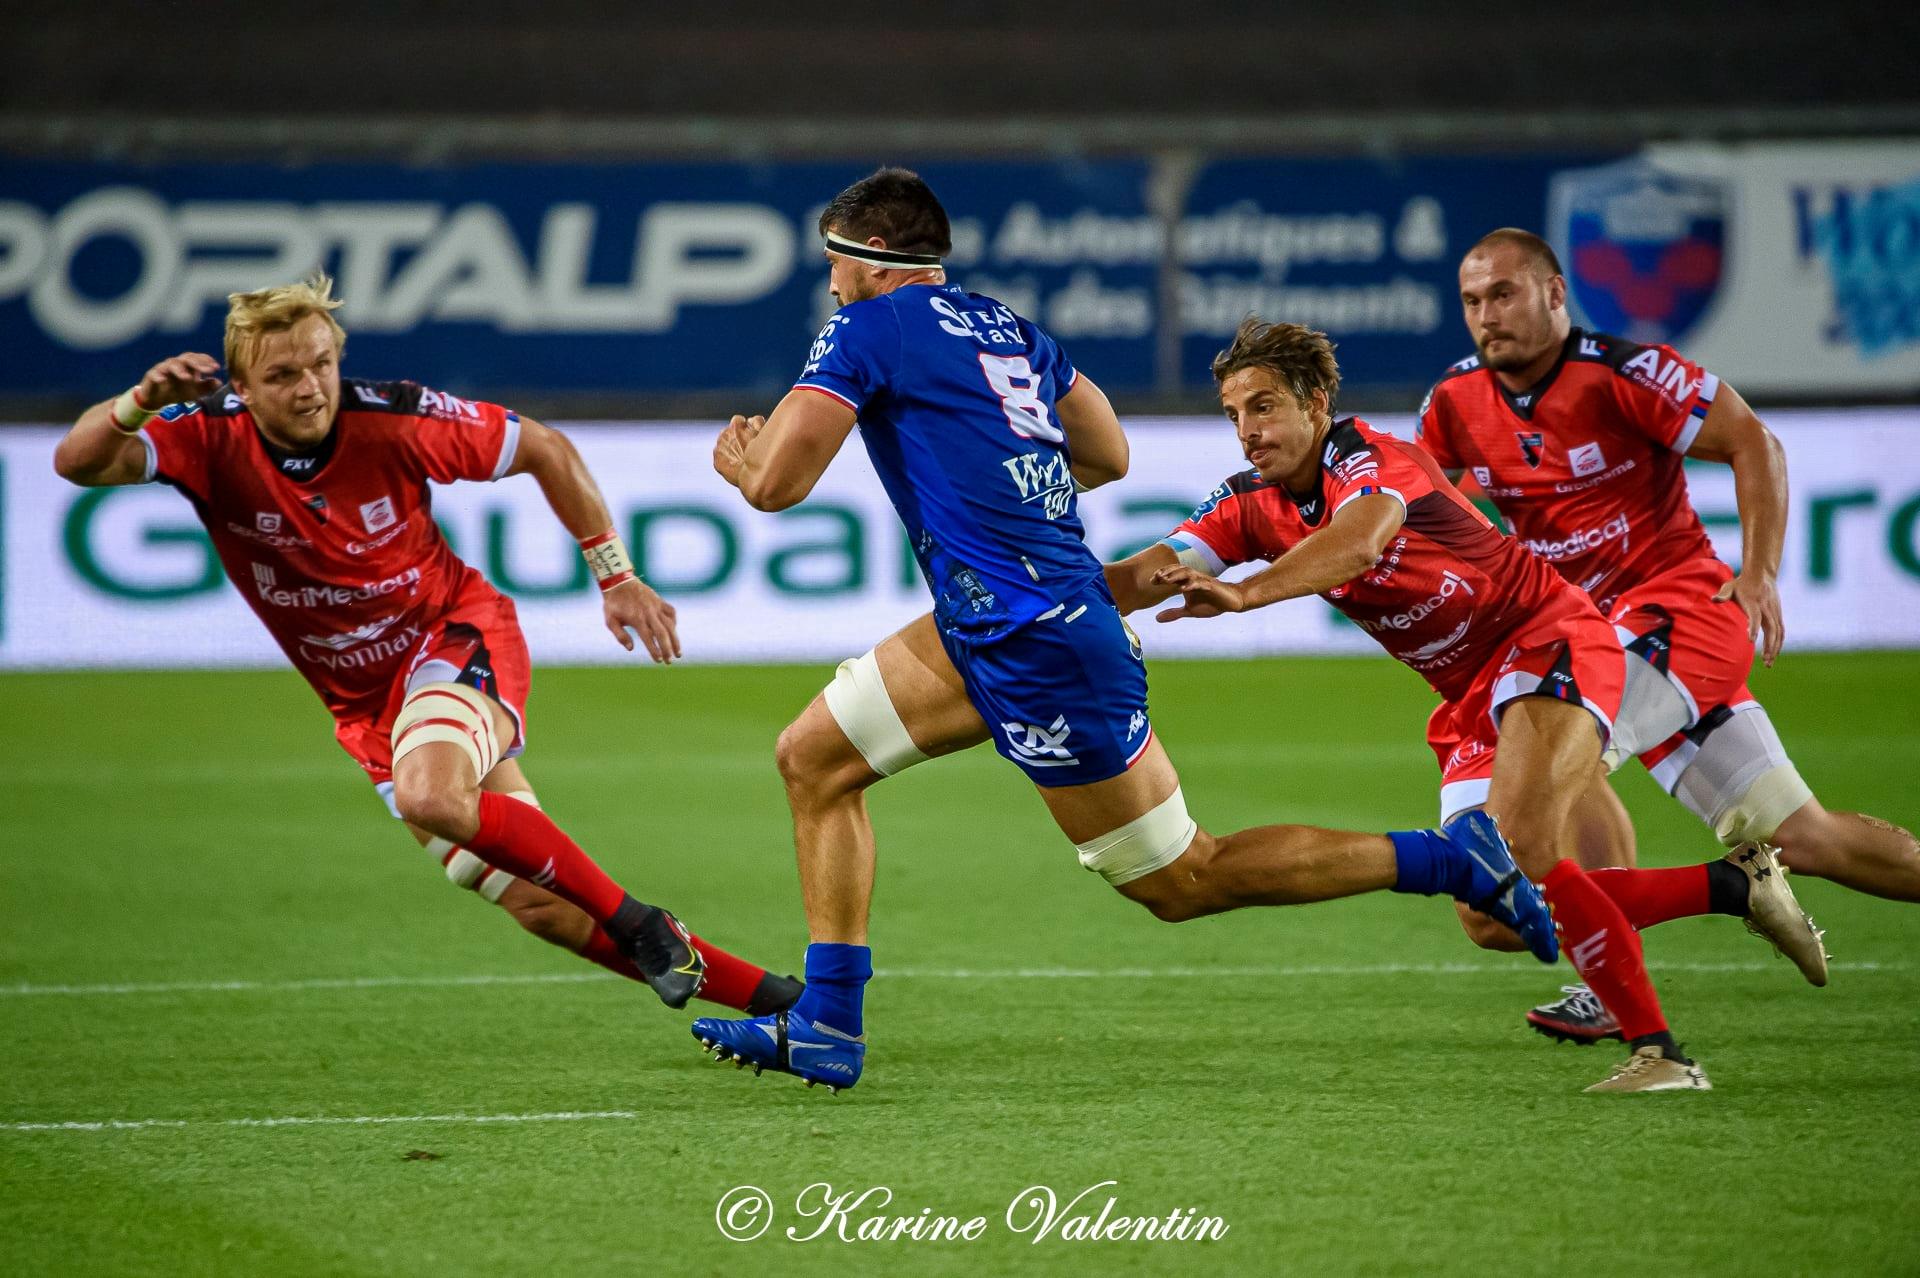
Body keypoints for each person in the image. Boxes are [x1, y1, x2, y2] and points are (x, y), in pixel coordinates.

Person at [692, 168, 1574, 1097]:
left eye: (835, 263)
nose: (830, 282)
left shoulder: (866, 325)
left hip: (1037, 643)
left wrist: (741, 463)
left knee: (1185, 880)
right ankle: (829, 1023)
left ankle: (1446, 860)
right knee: (814, 760)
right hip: (1001, 617)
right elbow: (1108, 454)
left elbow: (777, 487)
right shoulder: (1009, 328)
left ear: (870, 262)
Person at [51, 274, 799, 1020]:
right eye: (282, 375)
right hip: (366, 710)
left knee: (431, 794)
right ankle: (785, 1009)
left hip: (453, 638)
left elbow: (544, 446)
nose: (310, 387)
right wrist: (137, 403)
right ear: (241, 388)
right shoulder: (205, 437)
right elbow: (78, 462)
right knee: (548, 911)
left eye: (321, 364)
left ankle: (641, 921)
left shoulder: (394, 418)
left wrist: (616, 574)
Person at [1127, 318, 1824, 1092]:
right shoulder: (1251, 503)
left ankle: (1664, 1056)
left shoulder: (1373, 460)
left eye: (1263, 407)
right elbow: (1158, 568)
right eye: (1233, 416)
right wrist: (1047, 595)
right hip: (1472, 695)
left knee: (1524, 841)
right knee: (1488, 910)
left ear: (1317, 402)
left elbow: (1360, 542)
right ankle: (1734, 887)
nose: (1248, 432)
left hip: (1547, 640)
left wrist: (1247, 591)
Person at [1418, 229, 1920, 1042]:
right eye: (1473, 300)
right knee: (1808, 837)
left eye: (1505, 294)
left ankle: (1606, 972)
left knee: (1554, 769)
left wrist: (1757, 574)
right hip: (1597, 637)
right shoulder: (1453, 401)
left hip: (1676, 618)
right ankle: (1665, 927)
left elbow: (1752, 439)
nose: (1487, 315)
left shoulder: (1625, 372)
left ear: (1554, 294)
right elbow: (1426, 506)